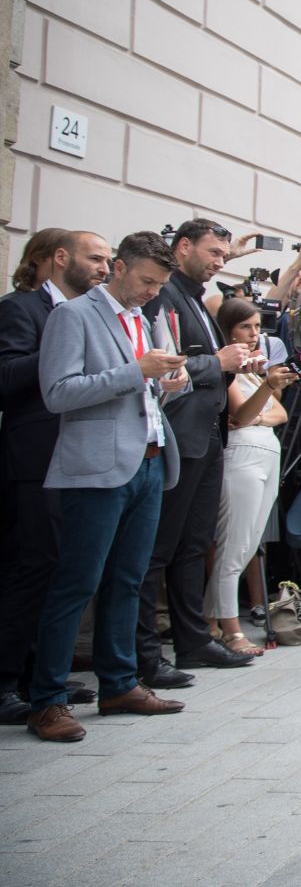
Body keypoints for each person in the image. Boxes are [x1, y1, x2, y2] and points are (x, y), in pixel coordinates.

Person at [27, 232, 191, 742]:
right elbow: (57, 394)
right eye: (146, 281)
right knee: (77, 584)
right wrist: (134, 372)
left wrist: (162, 387)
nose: (151, 293)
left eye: (160, 285)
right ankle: (47, 700)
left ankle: (119, 684)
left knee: (129, 579)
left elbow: (134, 395)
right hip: (95, 470)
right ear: (117, 268)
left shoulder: (141, 320)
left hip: (147, 462)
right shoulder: (72, 315)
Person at [138, 218, 257, 688]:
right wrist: (219, 362)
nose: (219, 262)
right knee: (161, 548)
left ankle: (191, 639)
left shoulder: (196, 298)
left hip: (208, 438)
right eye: (213, 253)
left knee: (193, 544)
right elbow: (161, 361)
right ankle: (145, 651)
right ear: (183, 246)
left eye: (224, 256)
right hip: (180, 437)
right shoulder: (165, 294)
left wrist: (231, 365)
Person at [0, 229, 110, 724]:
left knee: (60, 569)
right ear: (59, 257)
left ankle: (40, 676)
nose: (105, 268)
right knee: (31, 568)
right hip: (34, 459)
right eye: (96, 258)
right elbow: (6, 377)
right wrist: (64, 352)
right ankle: (5, 683)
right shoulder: (21, 308)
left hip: (75, 459)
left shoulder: (86, 312)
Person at [203, 299, 296, 657]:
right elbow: (241, 414)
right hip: (241, 458)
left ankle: (211, 621)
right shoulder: (226, 368)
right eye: (246, 327)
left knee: (248, 544)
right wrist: (263, 398)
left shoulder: (254, 371)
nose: (255, 334)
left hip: (266, 455)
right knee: (234, 546)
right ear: (228, 330)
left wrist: (260, 406)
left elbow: (280, 413)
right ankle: (231, 629)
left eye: (258, 326)